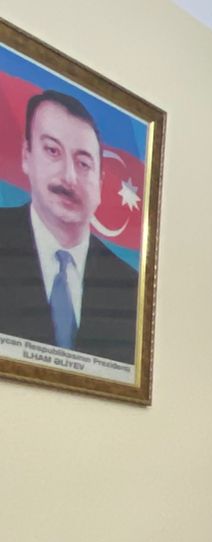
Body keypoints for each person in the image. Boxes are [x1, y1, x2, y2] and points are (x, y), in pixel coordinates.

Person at [0, 90, 139, 363]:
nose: (69, 177)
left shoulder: (130, 287)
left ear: (100, 183)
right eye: (52, 151)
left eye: (83, 163)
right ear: (26, 156)